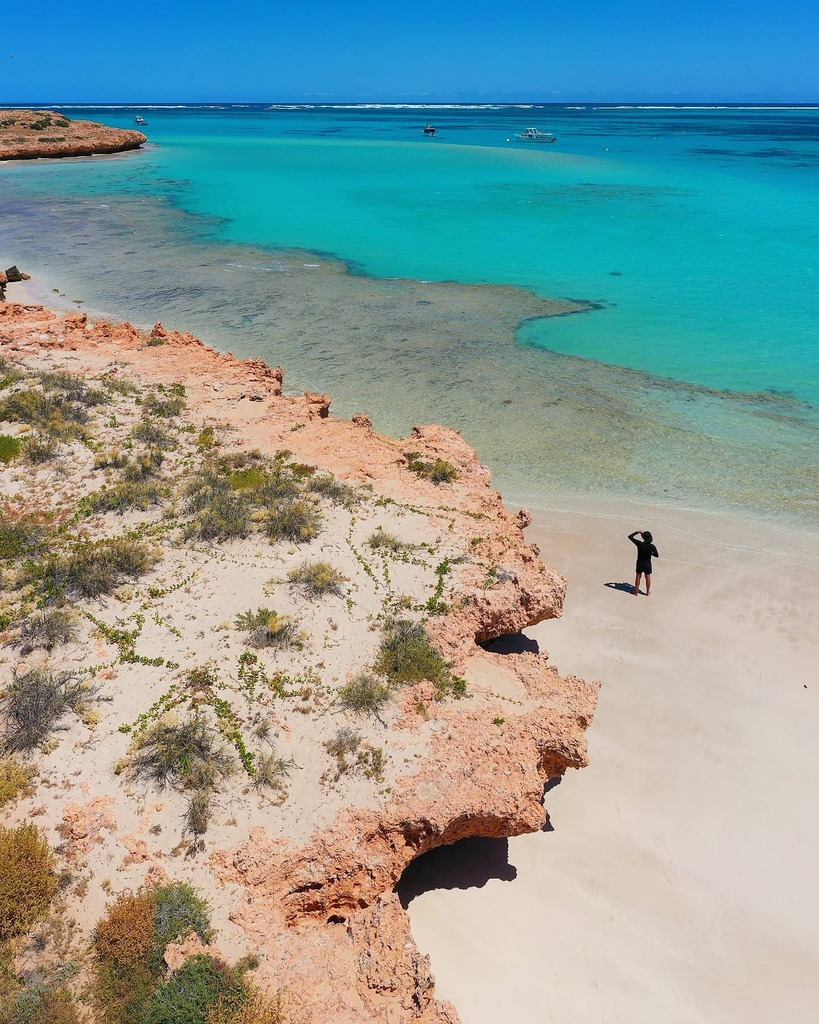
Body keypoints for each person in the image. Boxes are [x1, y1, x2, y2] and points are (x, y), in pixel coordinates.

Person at [628, 529, 659, 596]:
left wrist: (637, 532)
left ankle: (636, 592)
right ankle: (647, 592)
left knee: (638, 576)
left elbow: (630, 537)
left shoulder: (639, 544)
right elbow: (657, 555)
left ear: (643, 537)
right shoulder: (652, 546)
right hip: (647, 564)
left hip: (640, 563)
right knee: (647, 577)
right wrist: (650, 553)